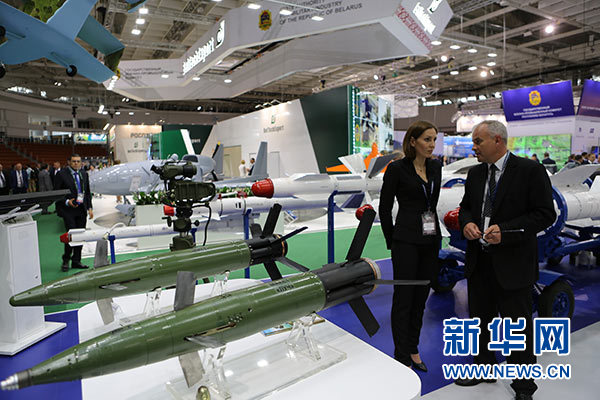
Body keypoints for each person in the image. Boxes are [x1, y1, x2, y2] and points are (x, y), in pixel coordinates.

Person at [456, 121, 556, 400]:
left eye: (478, 141)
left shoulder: (530, 171)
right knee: (480, 323)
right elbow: (465, 208)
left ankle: (523, 386)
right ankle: (483, 368)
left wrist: (506, 231)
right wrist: (466, 223)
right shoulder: (476, 173)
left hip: (514, 264)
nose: (473, 147)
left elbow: (545, 214)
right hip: (480, 261)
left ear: (498, 140)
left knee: (518, 329)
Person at [379, 120, 442, 372]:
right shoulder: (397, 169)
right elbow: (384, 208)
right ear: (413, 141)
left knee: (421, 298)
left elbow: (432, 204)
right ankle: (401, 354)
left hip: (430, 240)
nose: (432, 144)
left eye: (434, 139)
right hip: (405, 242)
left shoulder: (436, 167)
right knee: (404, 299)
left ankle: (413, 349)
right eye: (427, 139)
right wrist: (392, 240)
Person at [54, 154, 93, 272]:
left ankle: (76, 261)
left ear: (81, 163)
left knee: (80, 236)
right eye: (74, 161)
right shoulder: (61, 174)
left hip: (81, 209)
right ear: (69, 162)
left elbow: (87, 192)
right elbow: (56, 193)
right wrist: (67, 201)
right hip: (68, 210)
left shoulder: (84, 174)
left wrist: (90, 207)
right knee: (71, 236)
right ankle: (66, 260)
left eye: (78, 161)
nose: (76, 163)